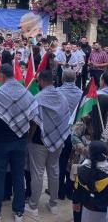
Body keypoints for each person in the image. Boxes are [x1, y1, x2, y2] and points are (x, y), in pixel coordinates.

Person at [0, 64, 40, 222]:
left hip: (0, 140)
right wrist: (26, 134)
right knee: (18, 175)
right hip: (20, 140)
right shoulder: (26, 93)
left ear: (2, 75)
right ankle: (19, 212)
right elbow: (34, 116)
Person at [26, 70, 71, 217]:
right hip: (58, 139)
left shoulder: (38, 98)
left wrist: (29, 138)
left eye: (38, 81)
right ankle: (53, 204)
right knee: (54, 170)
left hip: (38, 140)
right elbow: (66, 118)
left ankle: (33, 206)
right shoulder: (62, 97)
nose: (38, 83)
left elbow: (34, 122)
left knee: (38, 172)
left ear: (42, 81)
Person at [57, 69, 83, 200]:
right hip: (76, 133)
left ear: (62, 79)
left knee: (61, 162)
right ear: (75, 79)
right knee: (73, 162)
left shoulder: (57, 92)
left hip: (62, 132)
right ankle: (69, 189)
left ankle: (59, 190)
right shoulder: (81, 94)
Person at [73, 141, 108, 222]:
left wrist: (75, 202)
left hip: (85, 209)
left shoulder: (81, 170)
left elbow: (77, 191)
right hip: (103, 211)